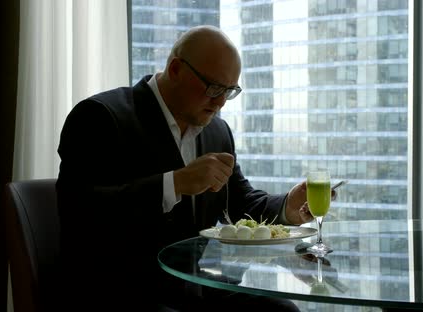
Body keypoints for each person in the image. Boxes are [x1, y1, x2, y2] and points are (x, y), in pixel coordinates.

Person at [56, 25, 314, 311]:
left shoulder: (218, 132)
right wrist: (174, 183)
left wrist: (288, 207)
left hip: (193, 289)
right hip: (116, 291)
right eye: (213, 88)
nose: (219, 104)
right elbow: (81, 212)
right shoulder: (99, 117)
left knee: (281, 309)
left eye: (229, 92)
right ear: (176, 69)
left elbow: (241, 203)